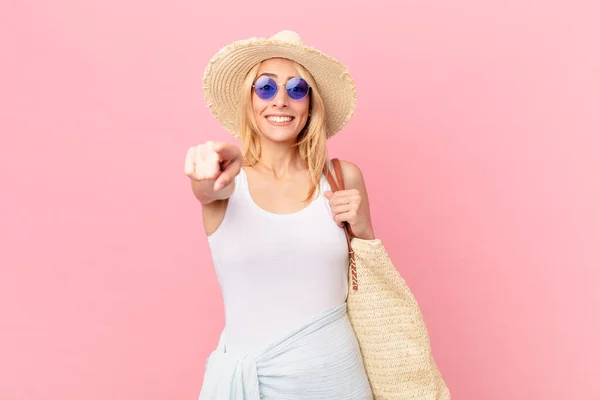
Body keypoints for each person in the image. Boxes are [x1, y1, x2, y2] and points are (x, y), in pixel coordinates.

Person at [185, 30, 375, 399]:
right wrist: (211, 171)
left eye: (297, 89)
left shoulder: (342, 178)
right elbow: (207, 188)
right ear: (249, 101)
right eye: (266, 89)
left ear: (311, 105)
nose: (281, 101)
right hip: (251, 384)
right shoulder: (226, 180)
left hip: (335, 380)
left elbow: (371, 275)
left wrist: (364, 228)